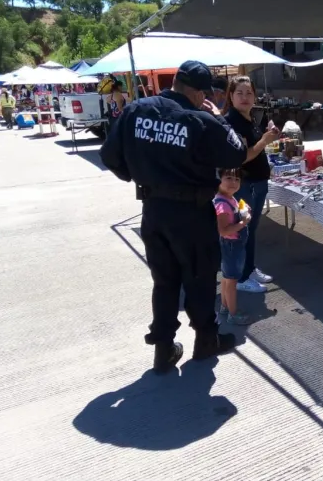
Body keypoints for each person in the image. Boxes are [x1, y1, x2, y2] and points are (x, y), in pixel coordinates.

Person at [100, 61, 247, 373]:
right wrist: (219, 118)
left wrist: (141, 177)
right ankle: (206, 339)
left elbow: (109, 156)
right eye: (206, 94)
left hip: (153, 210)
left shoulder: (137, 110)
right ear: (198, 92)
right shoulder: (200, 120)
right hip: (191, 213)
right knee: (200, 278)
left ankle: (164, 349)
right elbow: (236, 153)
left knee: (164, 282)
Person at [223, 76, 281, 293]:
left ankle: (249, 268)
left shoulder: (249, 119)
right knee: (241, 230)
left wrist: (268, 136)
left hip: (258, 182)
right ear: (231, 96)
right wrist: (264, 141)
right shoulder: (232, 121)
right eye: (240, 93)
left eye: (249, 93)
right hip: (244, 185)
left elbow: (257, 147)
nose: (245, 97)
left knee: (251, 229)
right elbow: (242, 157)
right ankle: (239, 278)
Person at [214, 168, 253, 325]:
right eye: (229, 178)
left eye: (237, 179)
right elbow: (223, 231)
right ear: (219, 179)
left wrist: (243, 210)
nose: (233, 182)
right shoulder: (222, 205)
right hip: (231, 245)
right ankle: (233, 313)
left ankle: (224, 307)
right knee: (232, 282)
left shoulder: (229, 198)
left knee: (226, 278)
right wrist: (243, 222)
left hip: (233, 245)